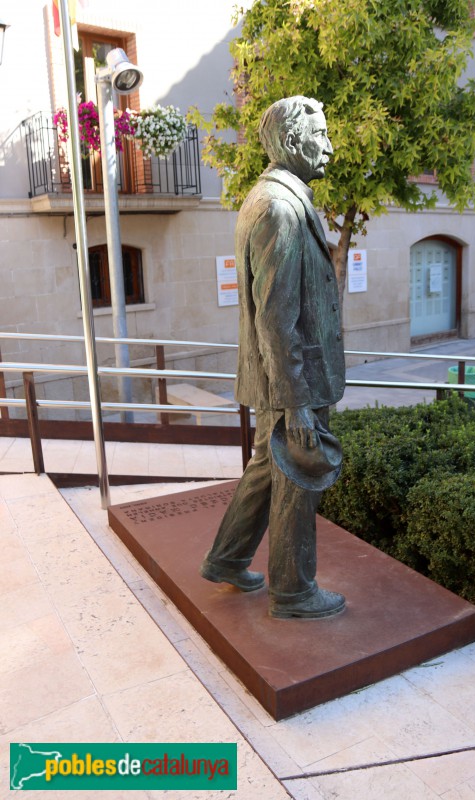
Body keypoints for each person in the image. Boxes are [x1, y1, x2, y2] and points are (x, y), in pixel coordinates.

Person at [200, 96, 346, 619]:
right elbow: (276, 318)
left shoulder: (272, 198)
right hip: (291, 379)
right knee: (296, 481)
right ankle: (294, 592)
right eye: (320, 135)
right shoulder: (279, 207)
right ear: (290, 142)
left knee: (267, 466)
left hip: (278, 376)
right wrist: (297, 402)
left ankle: (227, 557)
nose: (329, 145)